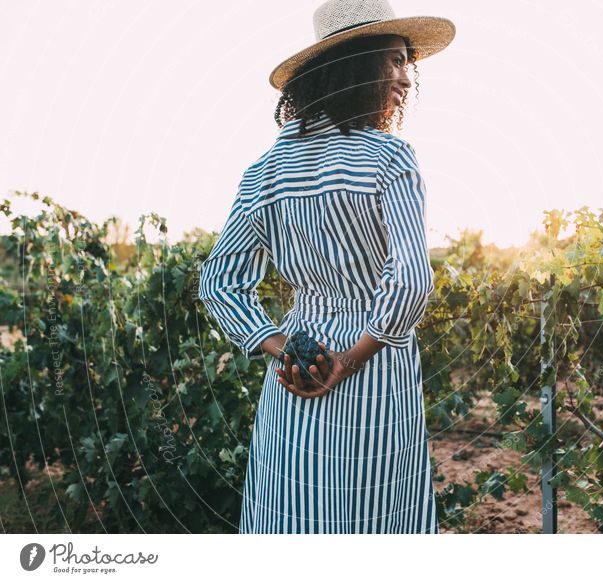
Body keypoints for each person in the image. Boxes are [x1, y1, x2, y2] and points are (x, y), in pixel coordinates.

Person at [198, 0, 455, 534]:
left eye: (409, 62)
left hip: (296, 373)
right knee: (376, 522)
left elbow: (220, 281)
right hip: (375, 372)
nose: (406, 78)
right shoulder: (389, 158)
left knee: (292, 517)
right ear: (354, 65)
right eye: (394, 61)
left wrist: (286, 350)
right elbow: (409, 283)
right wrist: (350, 359)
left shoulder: (264, 171)